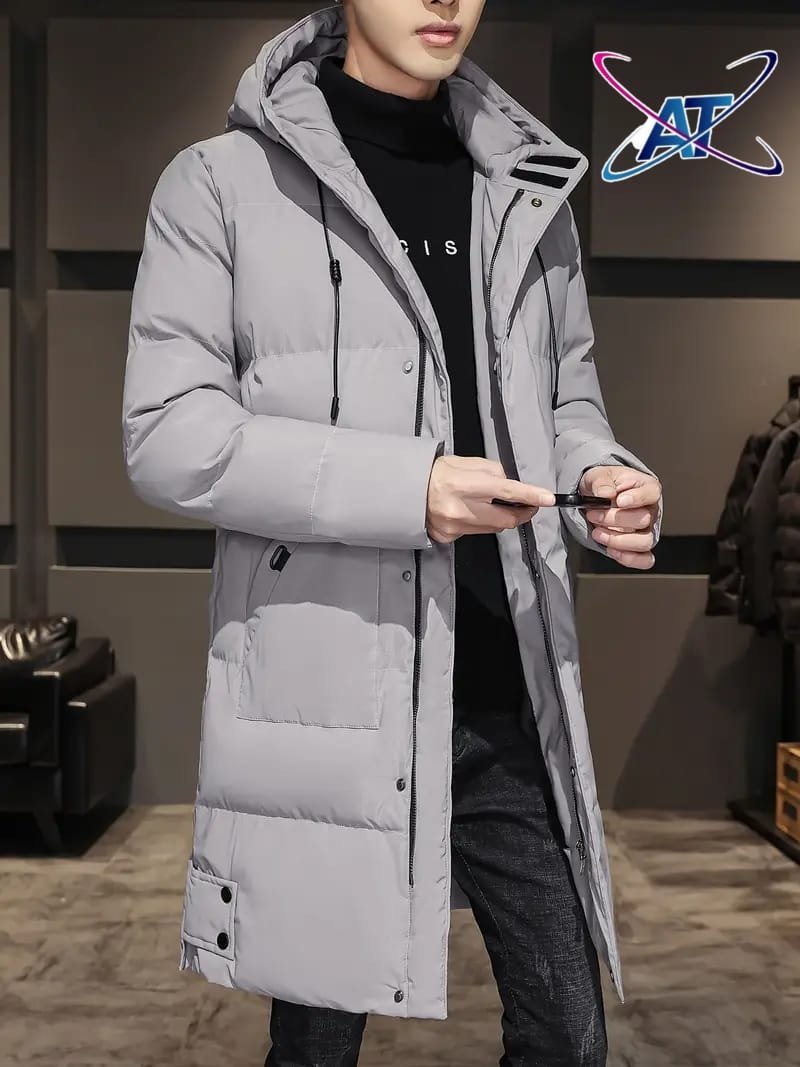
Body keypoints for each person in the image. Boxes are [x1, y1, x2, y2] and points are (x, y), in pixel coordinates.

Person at [121, 2, 663, 1064]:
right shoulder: (219, 185)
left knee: (567, 1033)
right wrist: (407, 488)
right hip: (333, 703)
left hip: (506, 689)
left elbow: (565, 401)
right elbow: (169, 435)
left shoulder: (528, 188)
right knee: (316, 1045)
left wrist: (599, 471)